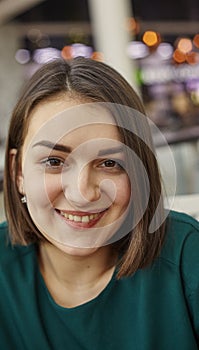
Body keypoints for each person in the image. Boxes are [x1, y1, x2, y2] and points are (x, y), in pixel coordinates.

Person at [1, 57, 199, 350]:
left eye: (109, 163)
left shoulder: (187, 256)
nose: (83, 193)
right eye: (54, 161)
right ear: (18, 172)